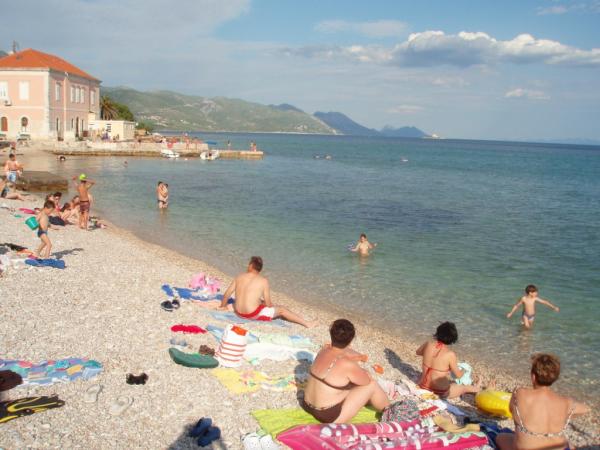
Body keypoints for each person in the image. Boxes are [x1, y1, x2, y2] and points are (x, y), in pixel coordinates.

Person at [302, 319, 389, 423]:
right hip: (326, 415)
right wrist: (365, 372)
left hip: (307, 404)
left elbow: (340, 353)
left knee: (345, 382)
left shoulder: (323, 350)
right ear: (351, 340)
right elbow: (366, 381)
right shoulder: (347, 364)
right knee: (372, 385)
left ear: (331, 334)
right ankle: (389, 410)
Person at [496, 354, 589, 450]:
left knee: (500, 437)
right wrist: (566, 416)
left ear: (533, 376)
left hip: (526, 447)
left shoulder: (519, 393)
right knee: (570, 445)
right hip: (556, 447)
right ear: (555, 378)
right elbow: (586, 409)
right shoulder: (566, 403)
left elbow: (511, 409)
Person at [218, 256, 317, 328]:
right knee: (282, 310)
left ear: (251, 265)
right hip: (251, 315)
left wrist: (223, 306)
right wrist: (263, 303)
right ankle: (307, 324)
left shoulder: (239, 277)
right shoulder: (263, 281)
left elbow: (226, 295)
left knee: (255, 302)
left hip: (238, 312)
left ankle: (305, 322)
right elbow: (269, 304)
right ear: (260, 269)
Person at [416, 322, 481, 398]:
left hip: (423, 385)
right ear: (452, 339)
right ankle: (477, 388)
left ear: (438, 332)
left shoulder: (428, 344)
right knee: (463, 387)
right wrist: (464, 369)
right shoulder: (450, 354)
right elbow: (458, 376)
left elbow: (418, 352)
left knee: (451, 382)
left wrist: (430, 357)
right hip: (440, 392)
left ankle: (475, 387)